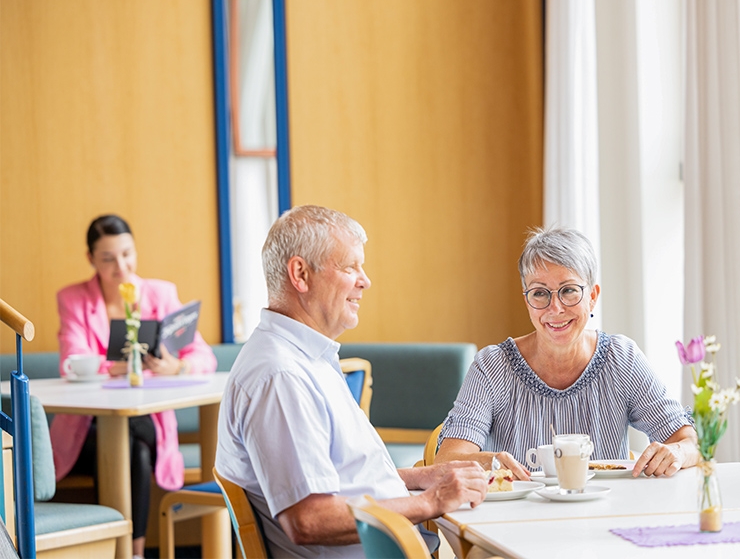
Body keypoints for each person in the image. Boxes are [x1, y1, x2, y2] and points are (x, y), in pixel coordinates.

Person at [216, 205, 486, 557]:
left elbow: (339, 480)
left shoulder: (305, 358)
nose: (365, 280)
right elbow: (309, 519)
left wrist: (418, 479)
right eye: (349, 267)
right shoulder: (281, 377)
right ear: (300, 273)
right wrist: (432, 501)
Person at [435, 227, 699, 479]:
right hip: (514, 519)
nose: (555, 308)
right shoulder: (492, 366)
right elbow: (448, 459)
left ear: (593, 296)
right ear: (526, 299)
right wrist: (491, 462)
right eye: (540, 293)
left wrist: (677, 451)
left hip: (605, 519)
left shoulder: (622, 359)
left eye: (569, 290)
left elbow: (688, 443)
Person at [51, 214, 217, 559]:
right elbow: (70, 359)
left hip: (151, 425)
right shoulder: (73, 299)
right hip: (89, 431)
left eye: (127, 254)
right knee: (133, 447)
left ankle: (128, 554)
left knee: (133, 439)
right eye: (108, 258)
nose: (120, 266)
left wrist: (178, 366)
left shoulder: (161, 293)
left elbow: (204, 356)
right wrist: (112, 367)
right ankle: (135, 554)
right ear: (91, 259)